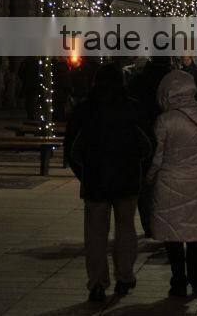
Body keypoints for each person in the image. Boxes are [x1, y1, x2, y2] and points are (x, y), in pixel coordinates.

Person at [65, 64, 153, 303]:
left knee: (95, 234)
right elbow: (148, 146)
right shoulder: (133, 108)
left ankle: (97, 282)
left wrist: (84, 174)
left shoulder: (85, 110)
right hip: (127, 178)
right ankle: (124, 275)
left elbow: (72, 149)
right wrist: (140, 171)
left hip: (95, 180)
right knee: (126, 229)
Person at [147, 70, 197, 297]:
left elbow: (157, 158)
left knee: (172, 236)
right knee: (195, 237)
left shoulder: (164, 121)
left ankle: (178, 280)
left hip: (170, 183)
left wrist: (148, 178)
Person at [127, 56, 173, 237]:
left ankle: (148, 224)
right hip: (169, 132)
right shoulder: (172, 79)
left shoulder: (138, 80)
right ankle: (163, 222)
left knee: (146, 181)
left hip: (143, 132)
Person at [17, 56, 40, 121]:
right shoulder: (36, 62)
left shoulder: (25, 62)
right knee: (32, 100)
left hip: (27, 83)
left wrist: (24, 79)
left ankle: (30, 114)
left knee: (28, 100)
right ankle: (31, 114)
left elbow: (20, 72)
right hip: (34, 83)